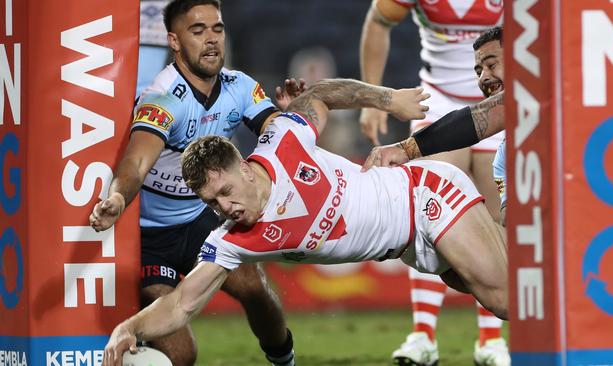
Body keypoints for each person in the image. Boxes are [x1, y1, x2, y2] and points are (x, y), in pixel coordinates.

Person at [100, 78, 508, 366]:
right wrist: (128, 328)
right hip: (408, 246)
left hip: (425, 196)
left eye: (224, 193)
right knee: (516, 285)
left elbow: (320, 94)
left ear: (243, 168)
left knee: (505, 300)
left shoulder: (283, 140)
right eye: (211, 203)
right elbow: (180, 304)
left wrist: (388, 100)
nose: (224, 208)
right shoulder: (231, 241)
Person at [88, 1, 303, 365]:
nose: (211, 40)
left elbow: (277, 136)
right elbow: (137, 163)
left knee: (256, 289)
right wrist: (118, 198)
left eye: (216, 29)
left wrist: (291, 119)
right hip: (149, 238)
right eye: (197, 31)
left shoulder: (240, 87)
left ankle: (285, 361)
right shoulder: (162, 98)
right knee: (183, 355)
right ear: (174, 41)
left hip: (201, 220)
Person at [358, 1, 507, 365]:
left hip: (503, 99)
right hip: (439, 103)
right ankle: (422, 335)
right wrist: (374, 99)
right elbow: (377, 23)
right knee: (429, 215)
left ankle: (491, 340)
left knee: (499, 223)